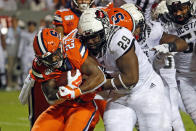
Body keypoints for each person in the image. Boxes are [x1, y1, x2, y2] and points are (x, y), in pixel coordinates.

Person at [78, 7, 172, 131]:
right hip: (118, 96)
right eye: (86, 38)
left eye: (95, 37)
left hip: (145, 89)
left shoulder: (118, 37)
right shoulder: (78, 40)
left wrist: (96, 85)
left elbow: (131, 79)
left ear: (106, 29)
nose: (91, 42)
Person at [107, 3, 188, 130]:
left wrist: (169, 46)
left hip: (153, 85)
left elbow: (181, 43)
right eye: (131, 28)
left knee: (172, 120)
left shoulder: (152, 32)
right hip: (127, 90)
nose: (135, 31)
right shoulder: (115, 43)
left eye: (138, 26)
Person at [22, 28, 106, 130]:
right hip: (61, 106)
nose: (53, 60)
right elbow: (50, 97)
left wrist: (76, 91)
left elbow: (99, 76)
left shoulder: (74, 49)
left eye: (54, 54)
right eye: (47, 59)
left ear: (61, 45)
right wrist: (62, 93)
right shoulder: (40, 65)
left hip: (83, 105)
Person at [154, 0, 196, 125]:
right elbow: (156, 63)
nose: (178, 13)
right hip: (184, 79)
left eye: (181, 8)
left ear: (191, 6)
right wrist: (161, 55)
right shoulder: (165, 28)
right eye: (174, 10)